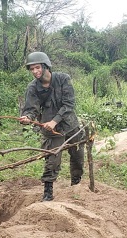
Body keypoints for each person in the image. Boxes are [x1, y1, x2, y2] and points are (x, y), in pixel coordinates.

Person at [19, 52, 85, 202]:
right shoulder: (32, 88)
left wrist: (55, 120)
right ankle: (48, 192)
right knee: (52, 159)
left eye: (37, 68)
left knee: (78, 156)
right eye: (32, 69)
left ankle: (76, 185)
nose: (35, 72)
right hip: (49, 127)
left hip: (70, 124)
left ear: (45, 66)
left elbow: (69, 104)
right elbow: (31, 108)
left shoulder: (63, 79)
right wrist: (28, 117)